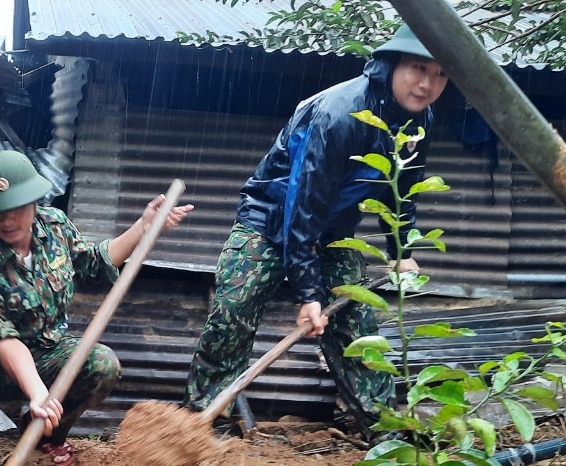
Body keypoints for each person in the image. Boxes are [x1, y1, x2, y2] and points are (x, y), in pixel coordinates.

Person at [183, 25, 449, 438]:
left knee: (354, 324)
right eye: (418, 68)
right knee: (234, 310)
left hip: (333, 233)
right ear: (393, 63)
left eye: (441, 74)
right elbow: (302, 205)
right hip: (271, 220)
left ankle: (387, 432)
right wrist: (307, 293)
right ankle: (202, 419)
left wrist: (401, 246)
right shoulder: (339, 113)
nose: (428, 84)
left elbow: (404, 189)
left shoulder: (420, 120)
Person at [0, 150, 194, 466]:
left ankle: (46, 434)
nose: (7, 220)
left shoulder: (55, 225)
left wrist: (143, 226)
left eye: (16, 207)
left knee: (102, 364)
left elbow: (95, 264)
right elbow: (3, 336)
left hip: (48, 357)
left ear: (33, 201)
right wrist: (37, 393)